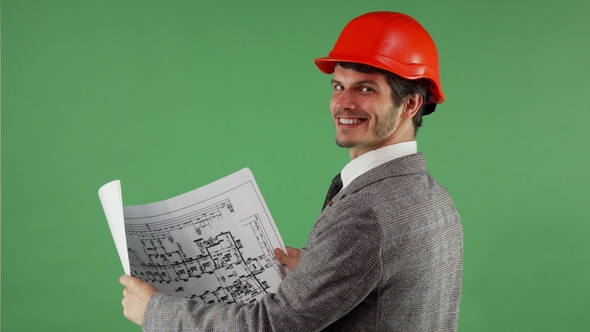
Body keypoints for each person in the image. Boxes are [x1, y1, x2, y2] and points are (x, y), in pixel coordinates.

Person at [120, 11, 463, 331]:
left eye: (366, 88)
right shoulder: (435, 198)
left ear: (410, 104)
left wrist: (155, 310)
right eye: (338, 86)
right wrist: (319, 270)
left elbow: (272, 324)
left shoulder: (367, 213)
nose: (343, 102)